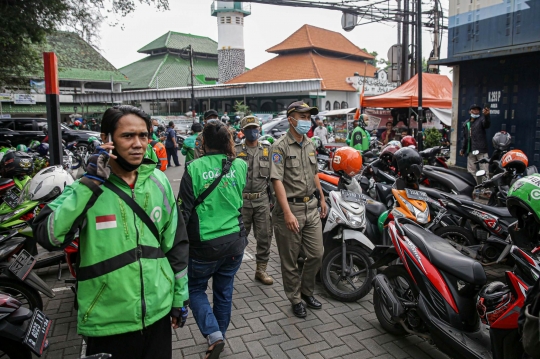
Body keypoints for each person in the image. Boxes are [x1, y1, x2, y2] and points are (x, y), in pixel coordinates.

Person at [32, 105, 189, 359]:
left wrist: (180, 297)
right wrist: (90, 183)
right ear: (106, 139)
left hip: (158, 315)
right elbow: (48, 236)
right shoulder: (85, 187)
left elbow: (176, 244)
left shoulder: (159, 182)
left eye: (143, 135)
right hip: (107, 322)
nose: (138, 144)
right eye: (128, 136)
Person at [178, 121, 247, 358]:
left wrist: (177, 248)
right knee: (224, 291)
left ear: (204, 142)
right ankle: (219, 335)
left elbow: (183, 212)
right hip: (235, 243)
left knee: (194, 288)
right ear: (229, 141)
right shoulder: (240, 165)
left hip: (203, 247)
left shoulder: (193, 168)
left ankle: (213, 334)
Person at [270, 101, 327, 318]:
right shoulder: (280, 146)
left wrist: (322, 198)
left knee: (316, 254)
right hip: (290, 208)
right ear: (291, 118)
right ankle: (295, 298)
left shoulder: (311, 144)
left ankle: (307, 291)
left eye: (308, 116)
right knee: (290, 260)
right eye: (302, 116)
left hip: (311, 207)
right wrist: (286, 212)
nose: (306, 120)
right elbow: (276, 180)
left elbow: (314, 174)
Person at [235, 116, 274, 285]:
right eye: (249, 128)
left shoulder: (267, 149)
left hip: (262, 200)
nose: (253, 131)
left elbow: (274, 177)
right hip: (241, 202)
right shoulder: (235, 151)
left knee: (265, 236)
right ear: (243, 132)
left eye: (255, 128)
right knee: (238, 238)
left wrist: (275, 201)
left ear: (259, 129)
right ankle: (231, 269)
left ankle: (261, 270)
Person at [460, 104, 491, 181]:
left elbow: (486, 124)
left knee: (484, 171)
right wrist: (463, 149)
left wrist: (487, 116)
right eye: (474, 109)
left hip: (481, 150)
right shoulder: (466, 123)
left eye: (477, 110)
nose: (476, 111)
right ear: (470, 111)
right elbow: (465, 138)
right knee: (471, 171)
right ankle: (474, 188)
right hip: (471, 150)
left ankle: (486, 190)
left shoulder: (481, 120)